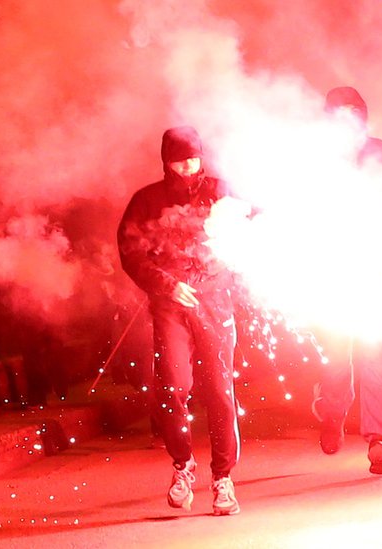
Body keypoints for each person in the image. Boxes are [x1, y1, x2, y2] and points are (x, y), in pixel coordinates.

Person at [117, 126, 241, 516]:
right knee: (172, 387)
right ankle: (182, 465)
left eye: (194, 157)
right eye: (179, 159)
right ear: (166, 160)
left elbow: (253, 233)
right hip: (170, 306)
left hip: (215, 301)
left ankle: (223, 478)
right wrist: (167, 285)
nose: (188, 166)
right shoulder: (147, 201)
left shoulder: (224, 192)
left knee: (219, 392)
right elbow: (131, 253)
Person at [311, 86, 382, 475]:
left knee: (374, 353)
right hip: (330, 272)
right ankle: (332, 413)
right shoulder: (315, 157)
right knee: (335, 358)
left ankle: (379, 438)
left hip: (371, 269)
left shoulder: (380, 153)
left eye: (355, 113)